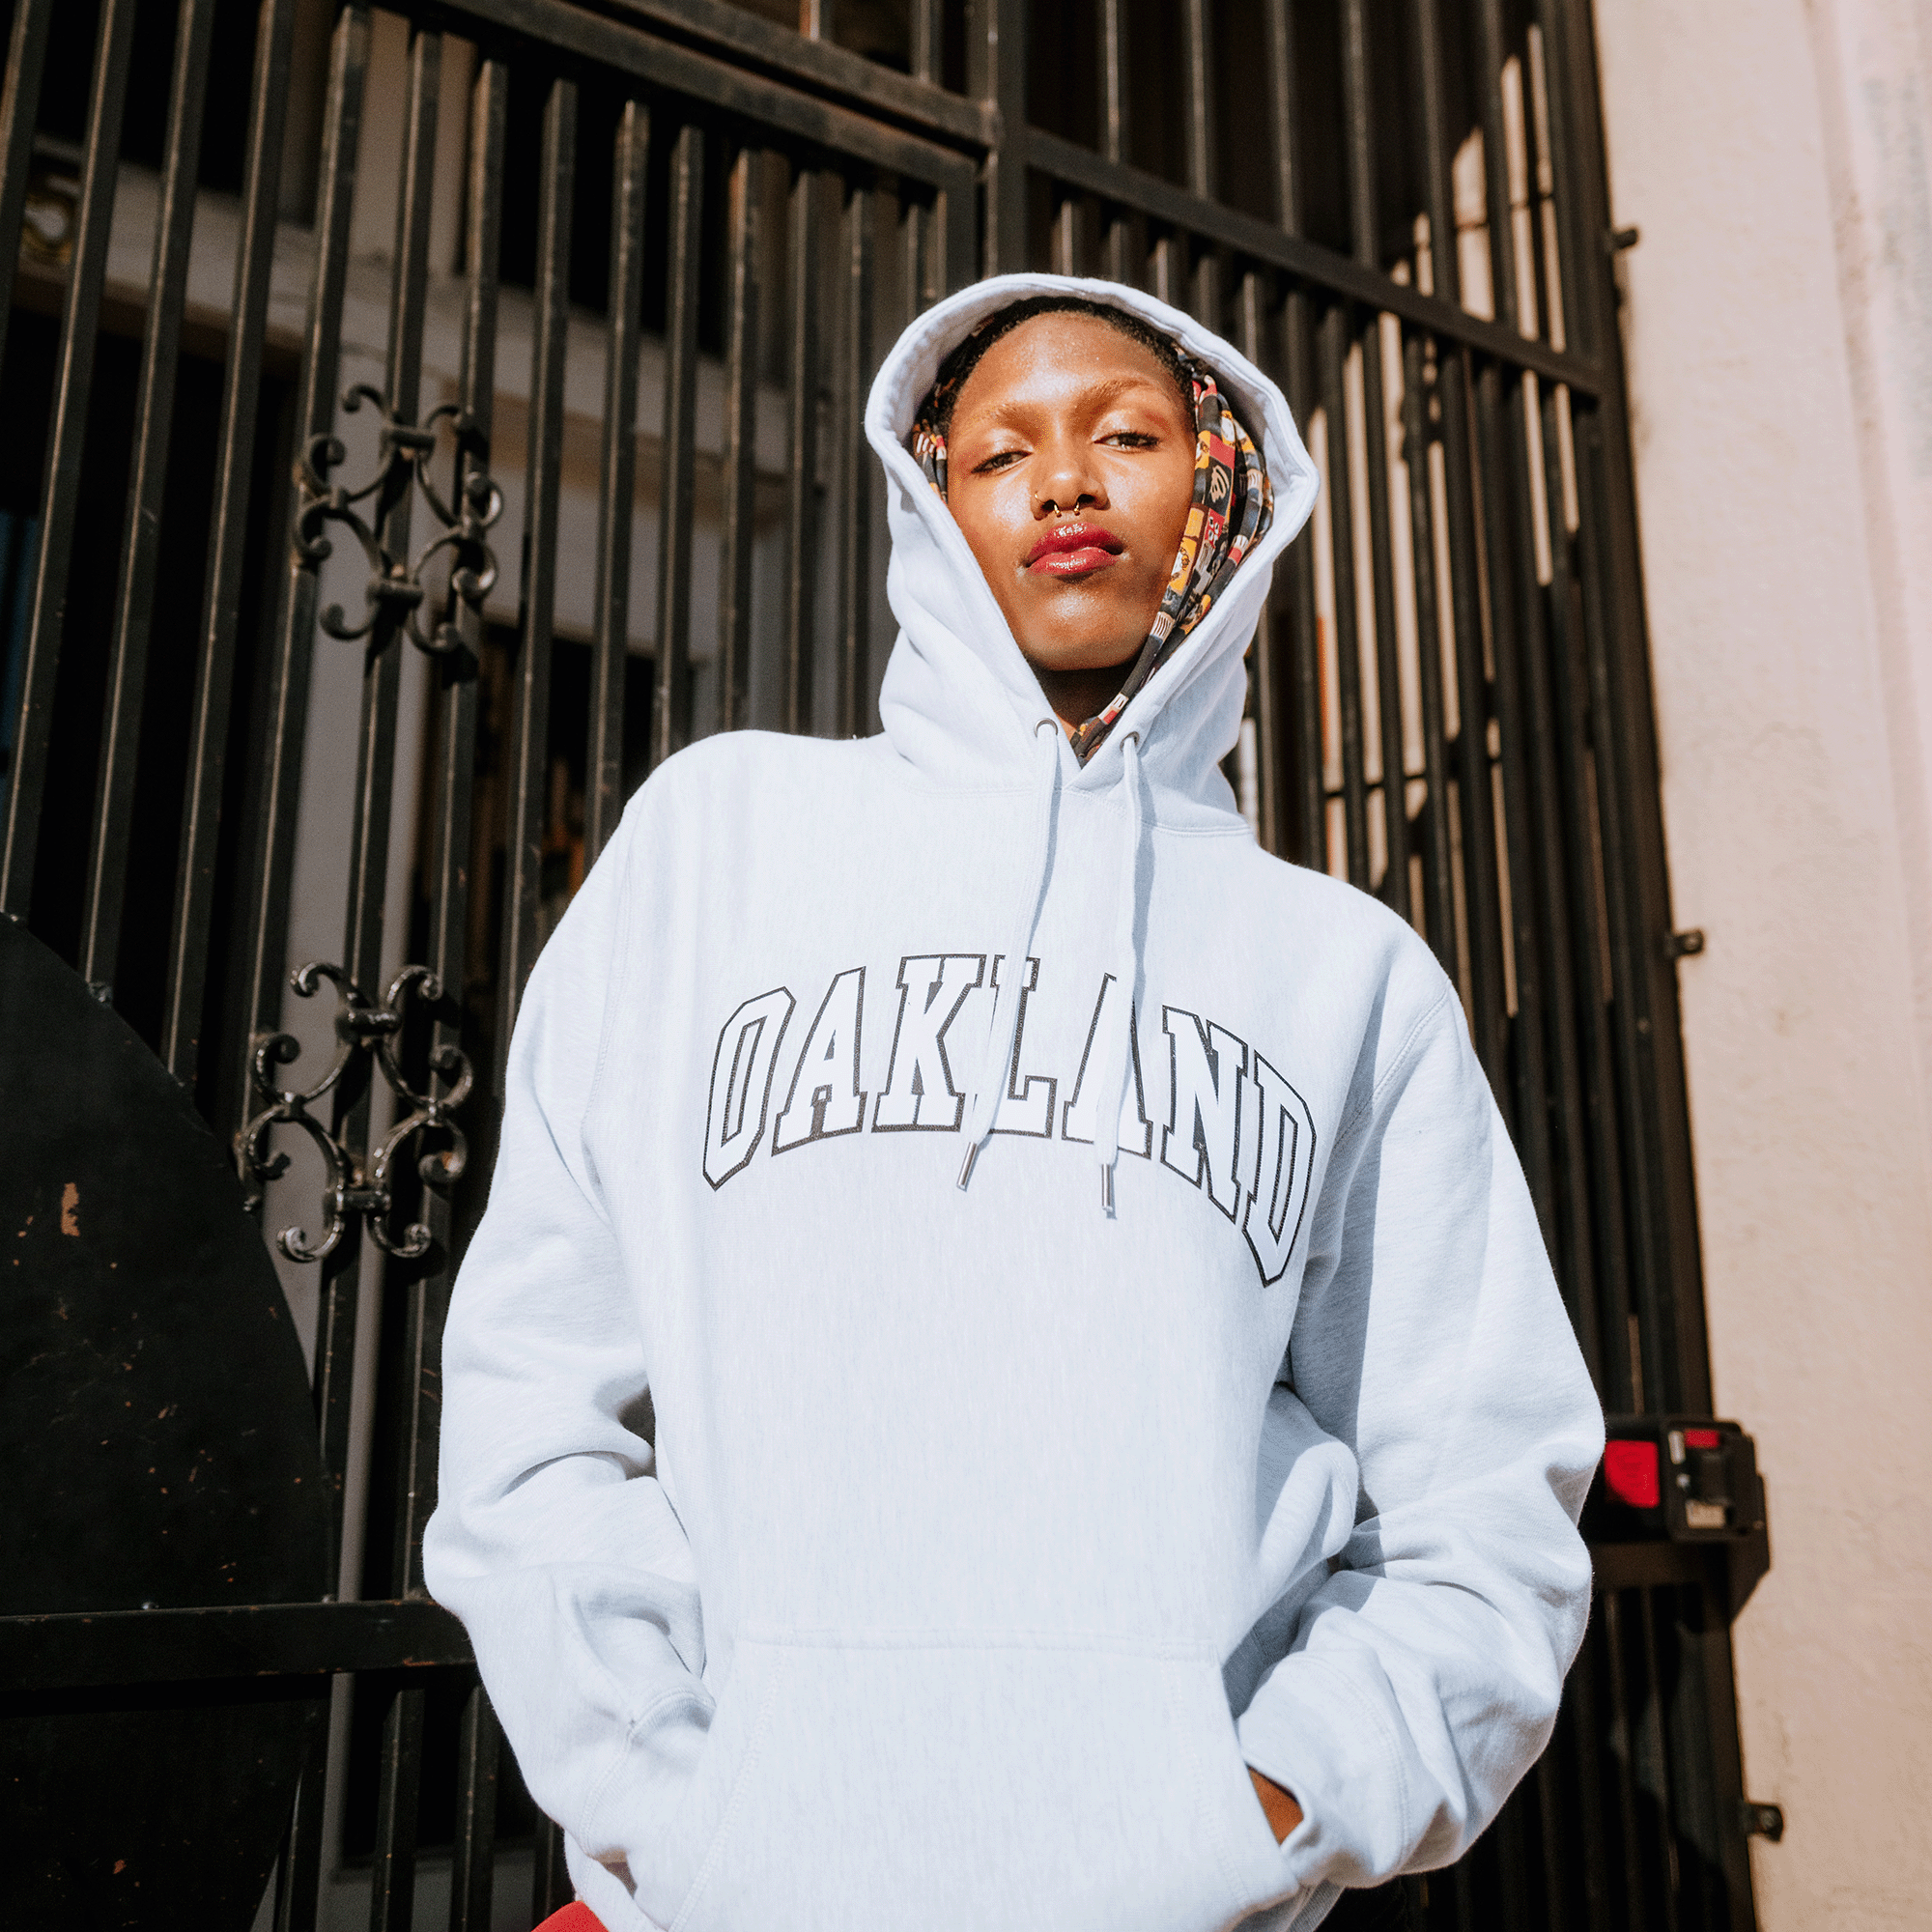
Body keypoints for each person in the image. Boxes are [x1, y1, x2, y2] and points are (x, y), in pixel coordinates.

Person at [422, 273, 1604, 1932]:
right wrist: (670, 1805)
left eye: (1126, 434)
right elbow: (537, 1395)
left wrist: (1261, 1810)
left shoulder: (1348, 974)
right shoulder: (719, 842)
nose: (1066, 482)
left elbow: (1483, 1503)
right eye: (1002, 452)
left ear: (1220, 491)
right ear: (928, 494)